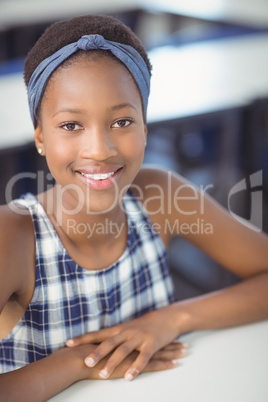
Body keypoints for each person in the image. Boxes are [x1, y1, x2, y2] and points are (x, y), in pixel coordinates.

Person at [0, 14, 268, 401]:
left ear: (145, 128)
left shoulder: (161, 196)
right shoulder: (14, 236)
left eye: (122, 121)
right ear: (40, 136)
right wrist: (79, 362)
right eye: (71, 125)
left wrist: (172, 319)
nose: (100, 149)